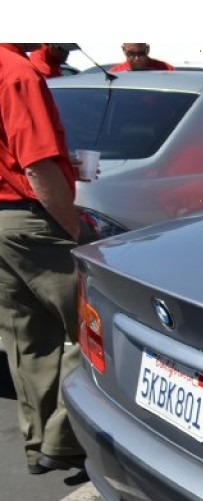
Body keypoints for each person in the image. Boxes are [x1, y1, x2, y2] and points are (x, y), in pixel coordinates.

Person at [0, 43, 86, 475]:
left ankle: (40, 444)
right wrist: (75, 228)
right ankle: (63, 439)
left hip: (4, 225)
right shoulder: (18, 73)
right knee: (92, 325)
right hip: (29, 220)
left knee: (26, 338)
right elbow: (36, 165)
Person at [110, 44, 175, 73]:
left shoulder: (166, 70)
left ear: (147, 49)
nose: (137, 58)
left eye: (141, 53)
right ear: (123, 50)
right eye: (131, 54)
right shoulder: (116, 73)